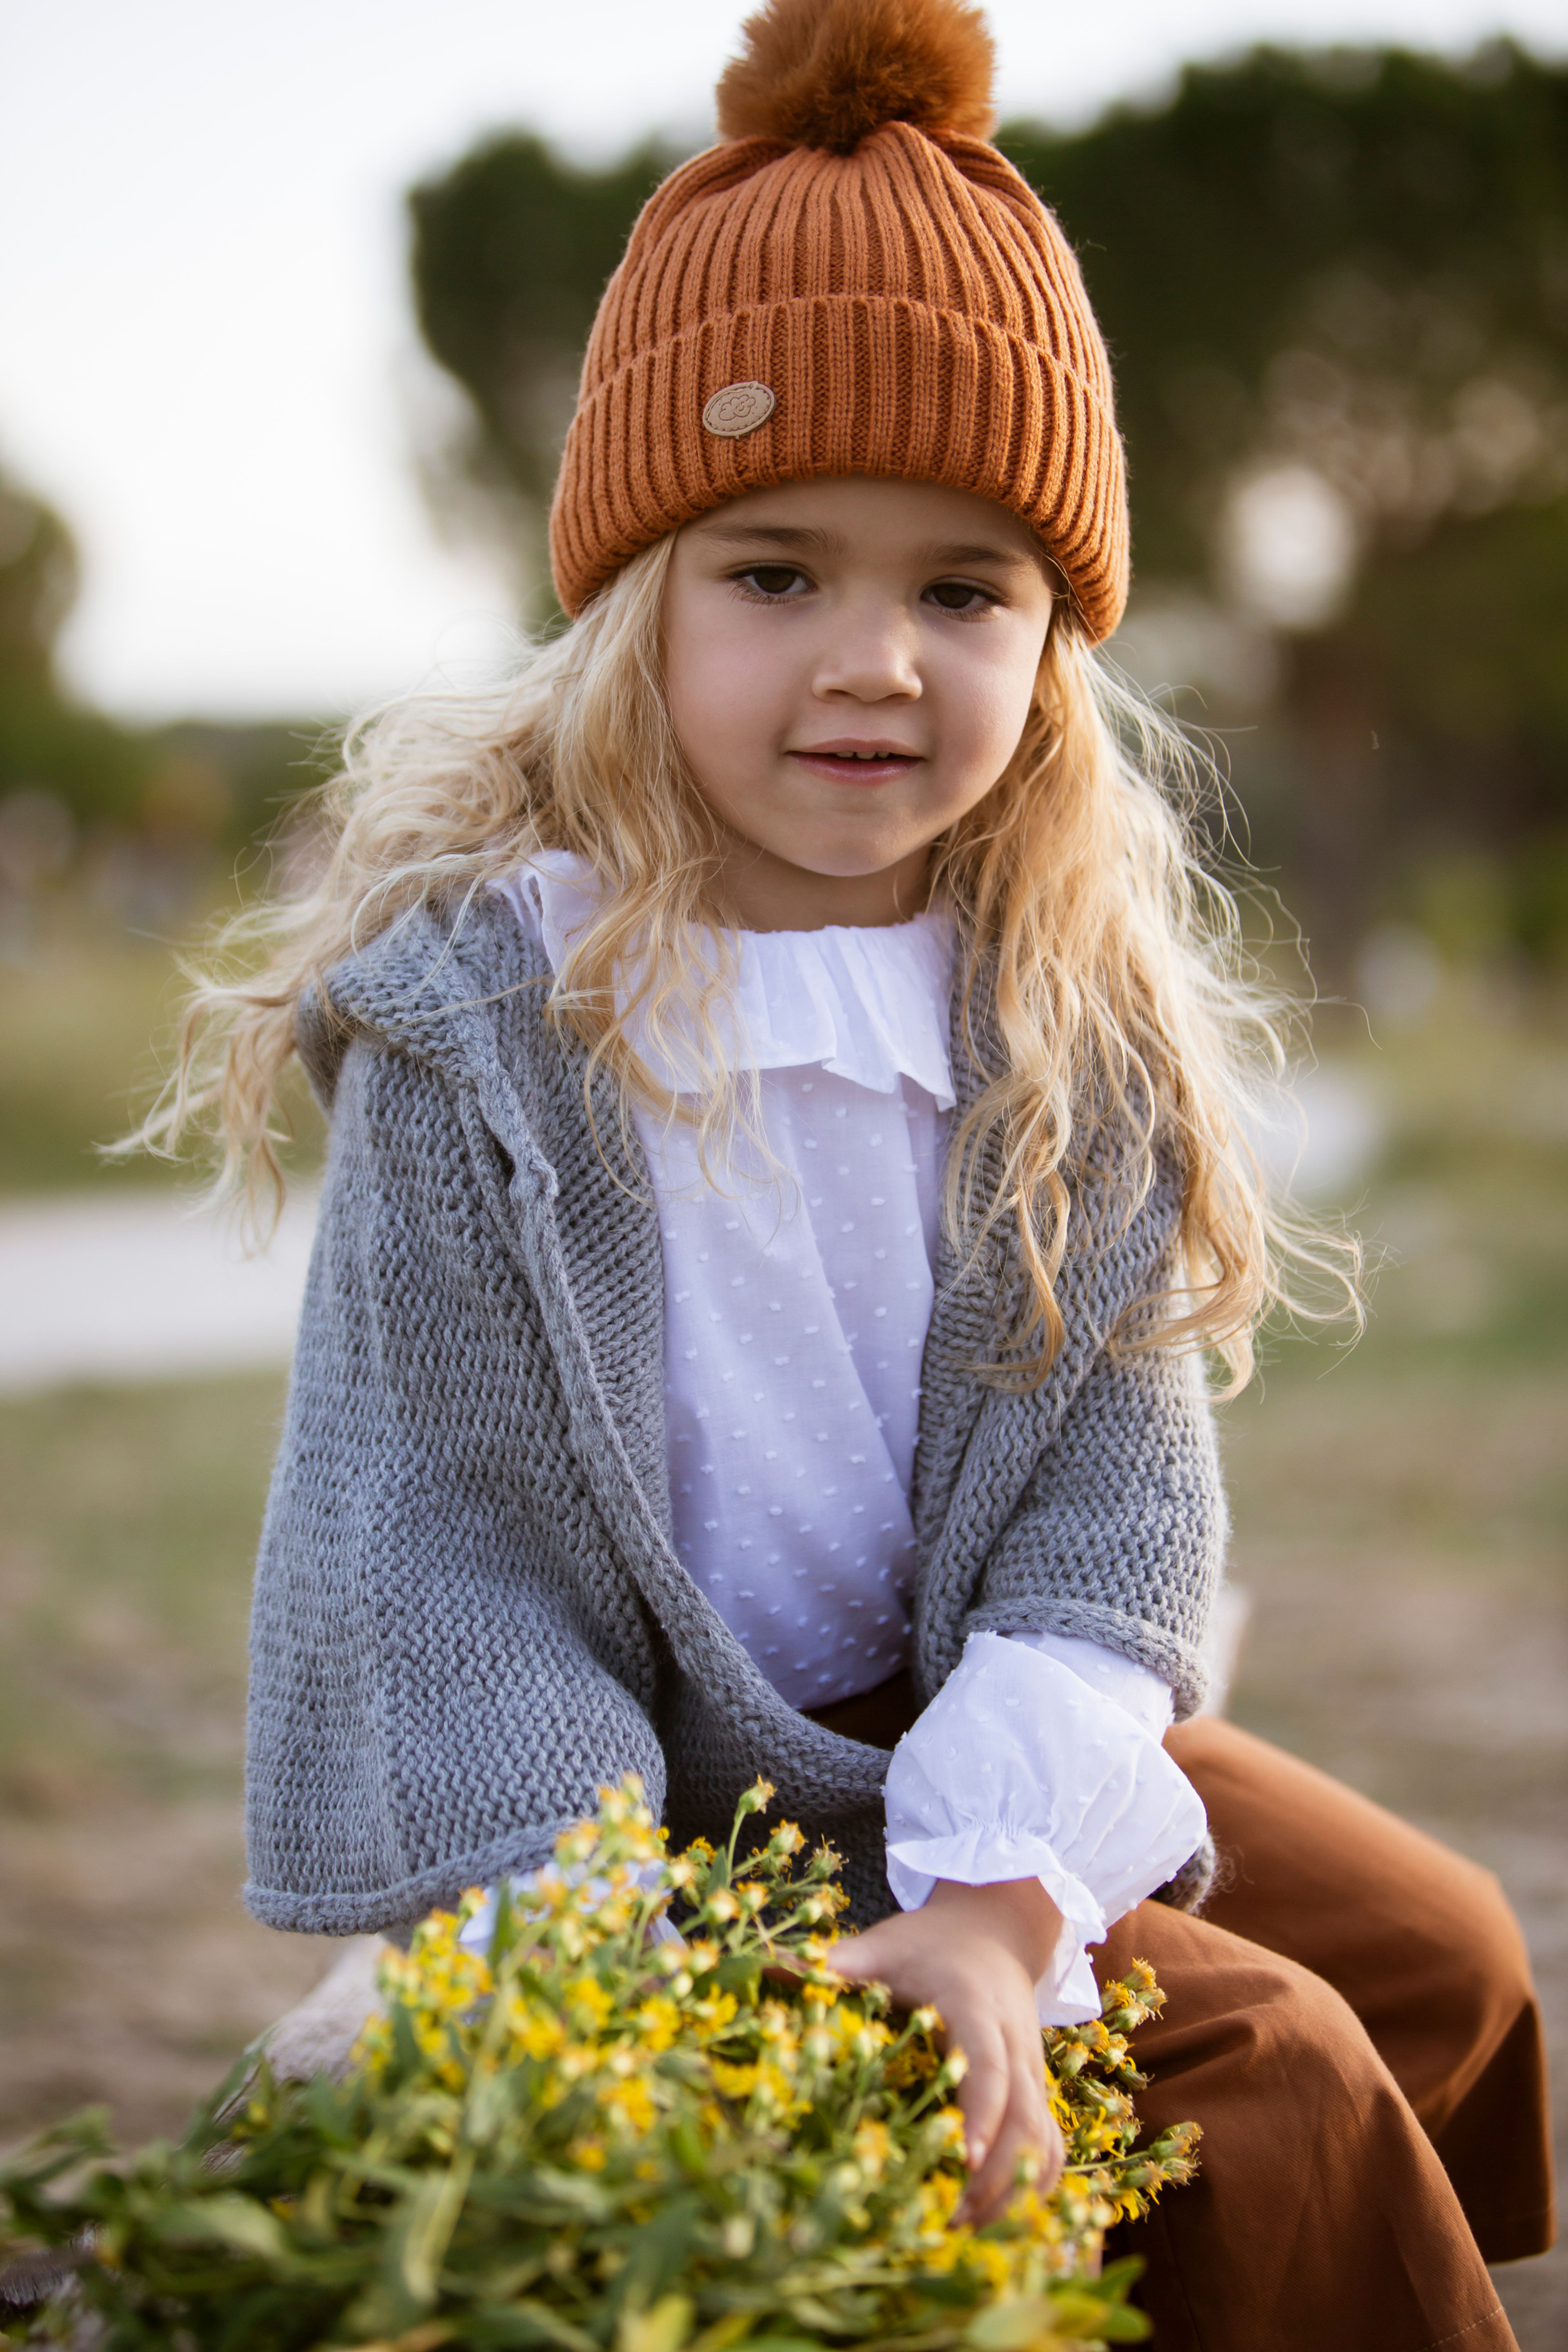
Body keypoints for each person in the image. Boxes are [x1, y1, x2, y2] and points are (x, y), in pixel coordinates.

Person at [145, 2, 1553, 2343]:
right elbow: (443, 1560)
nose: (876, 661)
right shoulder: (491, 1037)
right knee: (1277, 2077)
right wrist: (611, 1972)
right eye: (776, 573)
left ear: (1055, 642)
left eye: (965, 589)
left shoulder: (1052, 1021)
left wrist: (1009, 1895)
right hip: (646, 1825)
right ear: (638, 608)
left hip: (968, 1722)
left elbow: (1115, 1512)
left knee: (1448, 1959)